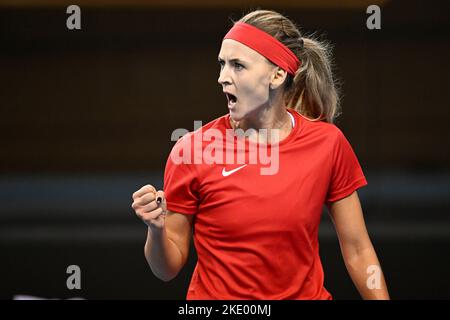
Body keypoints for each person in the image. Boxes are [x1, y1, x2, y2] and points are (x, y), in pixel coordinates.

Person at [131, 9, 389, 300]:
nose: (222, 78)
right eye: (222, 64)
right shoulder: (192, 150)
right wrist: (155, 228)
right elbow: (166, 269)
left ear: (277, 74)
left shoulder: (329, 144)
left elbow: (358, 250)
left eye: (238, 65)